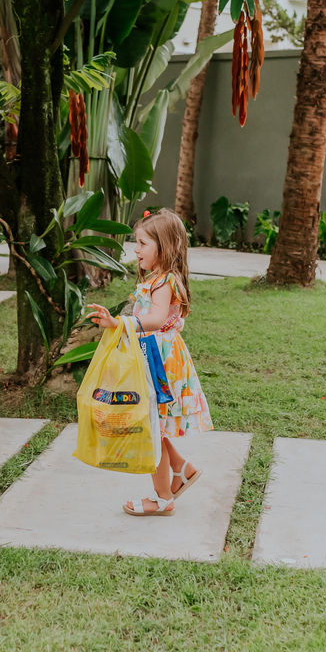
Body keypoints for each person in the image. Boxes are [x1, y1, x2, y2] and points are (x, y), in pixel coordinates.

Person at [86, 208, 213, 517]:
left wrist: (119, 323)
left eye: (142, 243)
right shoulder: (158, 279)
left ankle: (163, 498)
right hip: (156, 357)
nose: (136, 249)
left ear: (163, 247)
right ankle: (181, 469)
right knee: (156, 426)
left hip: (159, 362)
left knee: (151, 429)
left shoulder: (163, 282)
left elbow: (155, 319)